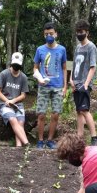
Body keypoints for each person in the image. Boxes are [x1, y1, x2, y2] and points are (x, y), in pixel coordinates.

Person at [33, 21, 68, 149]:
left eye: (51, 33)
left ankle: (50, 140)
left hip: (58, 86)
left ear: (56, 34)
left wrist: (65, 86)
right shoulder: (40, 50)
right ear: (44, 35)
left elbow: (64, 68)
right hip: (43, 87)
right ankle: (40, 141)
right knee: (41, 114)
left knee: (55, 114)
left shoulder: (62, 49)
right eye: (47, 34)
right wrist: (39, 78)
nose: (49, 36)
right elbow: (35, 68)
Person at [70, 19, 97, 146]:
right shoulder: (77, 47)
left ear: (87, 32)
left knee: (85, 110)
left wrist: (86, 84)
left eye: (81, 32)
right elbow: (74, 64)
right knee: (79, 111)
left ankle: (94, 138)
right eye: (77, 32)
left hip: (84, 84)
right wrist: (71, 79)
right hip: (76, 83)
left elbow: (93, 67)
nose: (79, 34)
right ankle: (79, 137)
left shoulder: (91, 47)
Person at [0, 52, 30, 147]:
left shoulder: (23, 77)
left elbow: (23, 95)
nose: (16, 66)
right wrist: (7, 100)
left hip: (17, 104)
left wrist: (13, 101)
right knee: (12, 119)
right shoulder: (4, 74)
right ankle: (26, 143)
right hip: (4, 104)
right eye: (14, 64)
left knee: (21, 122)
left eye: (18, 65)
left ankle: (19, 146)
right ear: (11, 63)